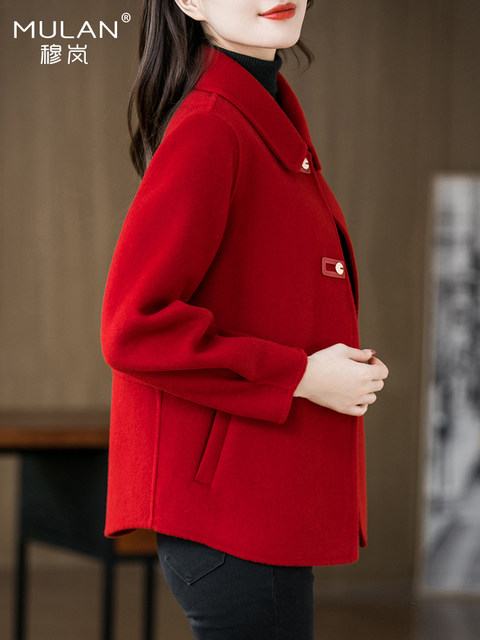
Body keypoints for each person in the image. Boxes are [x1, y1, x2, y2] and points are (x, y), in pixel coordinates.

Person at [100, 0, 390, 638]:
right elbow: (134, 325)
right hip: (232, 518)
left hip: (257, 504)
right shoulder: (213, 125)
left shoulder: (264, 115)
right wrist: (300, 376)